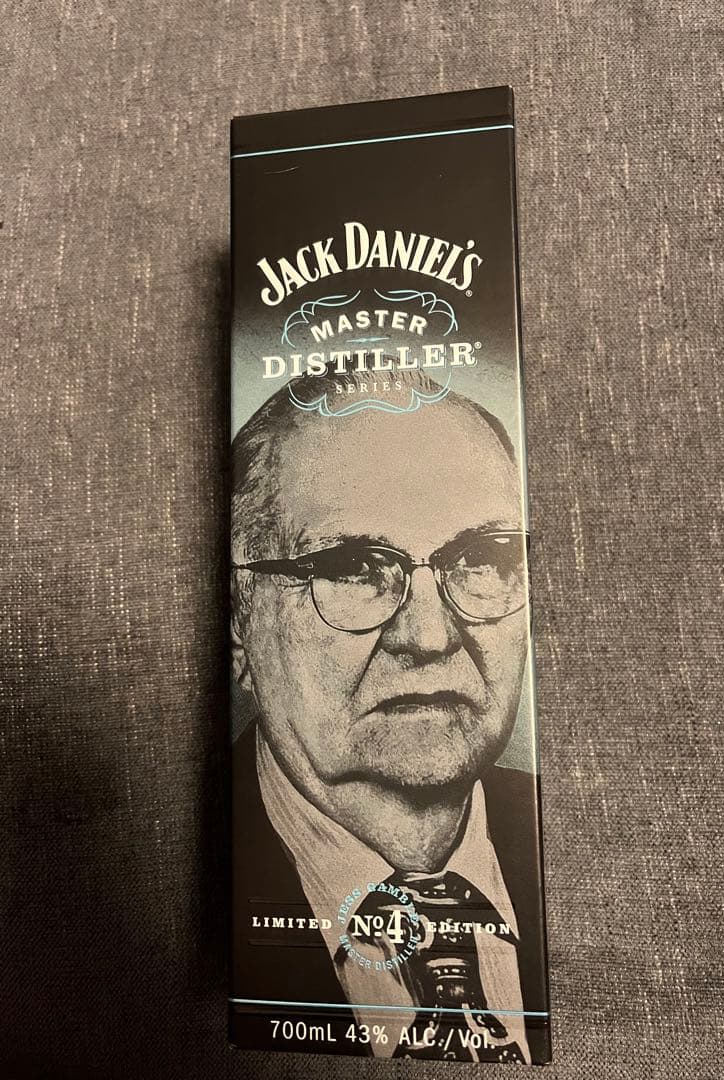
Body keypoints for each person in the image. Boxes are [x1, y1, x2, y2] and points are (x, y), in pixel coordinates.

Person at [229, 369, 549, 1063]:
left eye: (482, 560)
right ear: (237, 622)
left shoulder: (589, 847)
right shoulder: (140, 877)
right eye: (353, 568)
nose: (429, 637)